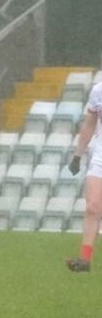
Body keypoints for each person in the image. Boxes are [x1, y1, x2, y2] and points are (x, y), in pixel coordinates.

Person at [65, 80, 102, 272]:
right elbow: (89, 125)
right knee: (92, 207)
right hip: (100, 157)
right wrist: (77, 156)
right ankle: (85, 259)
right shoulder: (99, 90)